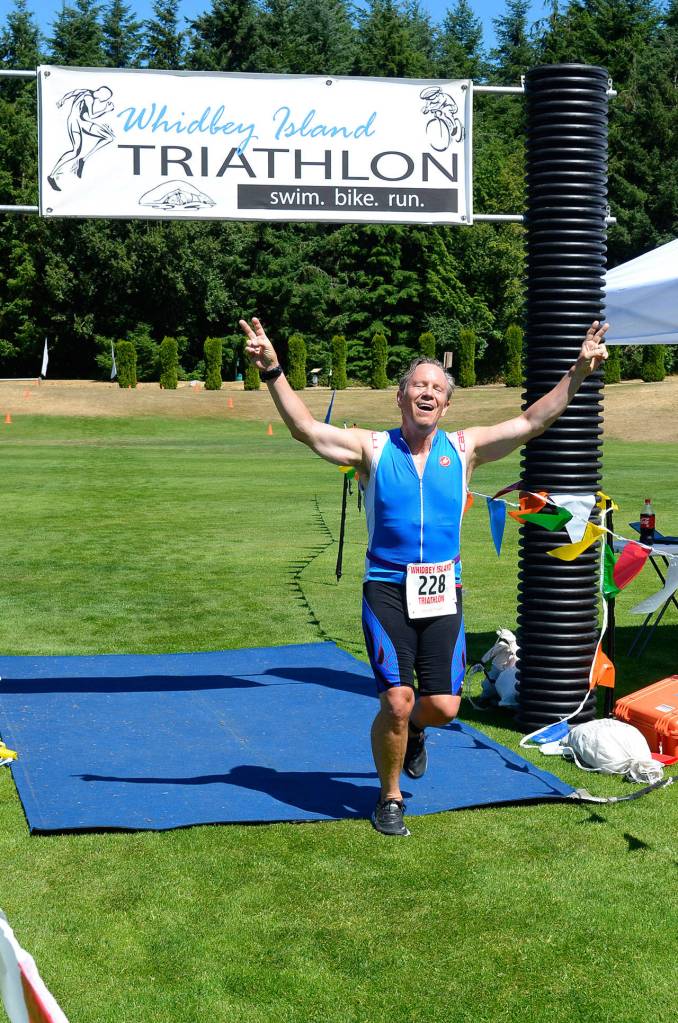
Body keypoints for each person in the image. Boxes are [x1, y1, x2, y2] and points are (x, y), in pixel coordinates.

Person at [240, 316, 609, 837]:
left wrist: (577, 373)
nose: (428, 392)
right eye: (419, 384)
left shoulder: (463, 449)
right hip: (387, 587)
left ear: (447, 403)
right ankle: (389, 797)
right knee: (396, 698)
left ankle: (416, 732)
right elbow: (305, 429)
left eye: (437, 387)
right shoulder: (370, 448)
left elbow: (532, 423)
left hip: (443, 591)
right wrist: (273, 369)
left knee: (440, 707)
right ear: (401, 396)